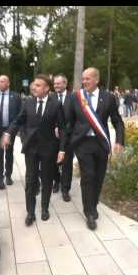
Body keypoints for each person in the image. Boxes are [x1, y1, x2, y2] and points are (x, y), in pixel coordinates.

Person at [1, 74, 66, 226]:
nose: (33, 87)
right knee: (30, 180)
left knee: (47, 179)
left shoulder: (56, 104)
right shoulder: (28, 102)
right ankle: (30, 212)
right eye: (33, 84)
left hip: (49, 148)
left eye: (37, 85)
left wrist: (62, 149)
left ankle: (44, 208)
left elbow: (63, 128)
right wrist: (8, 133)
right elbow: (18, 120)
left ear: (46, 88)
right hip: (31, 147)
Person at [65, 68, 125, 231]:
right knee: (88, 175)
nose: (84, 82)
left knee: (99, 176)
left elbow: (117, 121)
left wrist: (119, 141)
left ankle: (93, 202)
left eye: (88, 79)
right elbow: (69, 122)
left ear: (97, 80)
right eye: (83, 79)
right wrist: (65, 145)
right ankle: (89, 212)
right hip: (83, 143)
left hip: (101, 142)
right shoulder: (76, 97)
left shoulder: (109, 97)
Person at [0, 75, 22, 190]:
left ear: (8, 83)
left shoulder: (16, 97)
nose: (0, 83)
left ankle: (8, 175)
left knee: (9, 152)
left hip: (10, 129)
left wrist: (17, 129)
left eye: (2, 81)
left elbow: (20, 113)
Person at [52, 74, 74, 202]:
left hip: (69, 137)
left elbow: (75, 117)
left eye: (58, 84)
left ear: (65, 84)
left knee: (67, 164)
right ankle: (56, 182)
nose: (56, 86)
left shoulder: (73, 98)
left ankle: (65, 189)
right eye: (54, 84)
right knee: (53, 162)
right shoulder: (51, 97)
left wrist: (66, 131)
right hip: (53, 137)